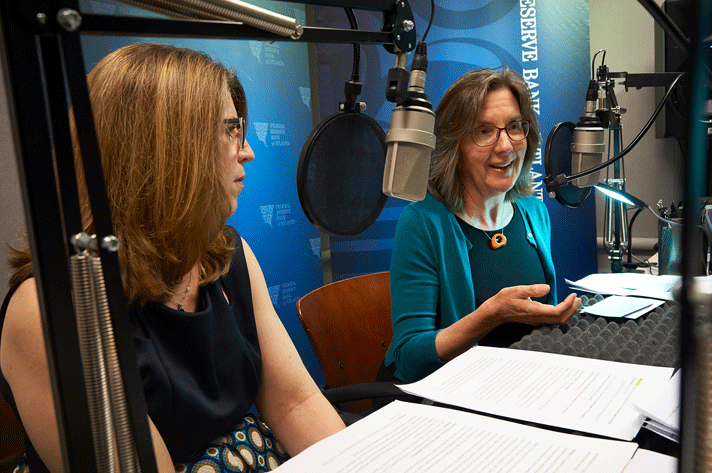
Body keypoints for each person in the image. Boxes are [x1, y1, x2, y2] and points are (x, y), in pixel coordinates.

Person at [0, 43, 345, 473]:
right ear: (166, 148)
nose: (248, 151)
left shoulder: (227, 254)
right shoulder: (52, 310)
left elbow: (296, 405)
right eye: (231, 130)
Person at [380, 67, 582, 385]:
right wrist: (490, 316)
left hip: (522, 389)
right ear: (454, 145)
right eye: (484, 131)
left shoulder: (534, 211)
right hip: (452, 400)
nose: (505, 146)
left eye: (515, 127)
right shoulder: (422, 222)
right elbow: (409, 358)